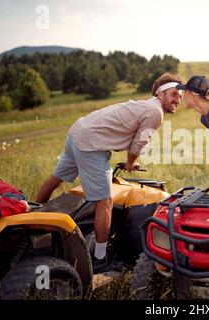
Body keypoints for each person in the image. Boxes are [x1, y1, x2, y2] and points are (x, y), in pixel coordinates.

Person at [36, 73, 183, 271]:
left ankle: (33, 220)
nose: (177, 100)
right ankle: (100, 257)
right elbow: (138, 144)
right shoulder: (155, 111)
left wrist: (129, 160)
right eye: (174, 94)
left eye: (180, 97)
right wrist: (130, 163)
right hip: (91, 144)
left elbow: (132, 136)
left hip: (78, 131)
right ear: (161, 93)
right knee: (105, 202)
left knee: (57, 178)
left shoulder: (145, 105)